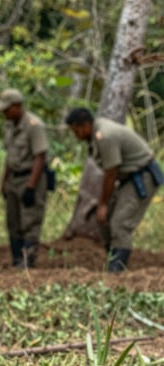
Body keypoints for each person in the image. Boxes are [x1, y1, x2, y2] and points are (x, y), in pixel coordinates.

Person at [65, 107, 163, 272]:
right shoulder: (96, 134)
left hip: (143, 176)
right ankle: (114, 258)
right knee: (104, 219)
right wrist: (103, 206)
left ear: (85, 125)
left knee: (120, 223)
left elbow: (111, 172)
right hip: (128, 178)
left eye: (76, 131)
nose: (76, 136)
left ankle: (117, 270)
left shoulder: (105, 136)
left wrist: (103, 203)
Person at [0, 88, 50, 268]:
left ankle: (28, 262)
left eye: (7, 109)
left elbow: (40, 157)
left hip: (30, 177)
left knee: (30, 221)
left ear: (17, 106)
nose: (4, 113)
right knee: (13, 221)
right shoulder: (9, 126)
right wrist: (4, 181)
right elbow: (10, 156)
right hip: (13, 178)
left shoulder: (34, 126)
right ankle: (16, 259)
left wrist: (31, 187)